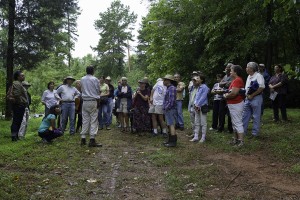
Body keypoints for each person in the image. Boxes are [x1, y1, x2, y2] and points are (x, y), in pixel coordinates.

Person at [80, 66, 102, 147]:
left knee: (85, 120)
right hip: (93, 101)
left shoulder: (82, 79)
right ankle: (92, 139)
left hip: (85, 101)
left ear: (86, 71)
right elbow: (97, 90)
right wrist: (98, 101)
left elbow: (81, 89)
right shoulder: (95, 79)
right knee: (93, 120)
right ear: (93, 71)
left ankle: (83, 138)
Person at [223, 65, 245, 147]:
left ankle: (241, 141)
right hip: (233, 104)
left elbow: (234, 93)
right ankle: (235, 140)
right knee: (234, 123)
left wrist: (225, 96)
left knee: (237, 122)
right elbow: (230, 91)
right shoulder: (234, 80)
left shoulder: (237, 80)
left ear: (235, 72)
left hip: (236, 104)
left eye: (231, 70)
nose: (230, 72)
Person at [242, 62, 265, 138]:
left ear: (251, 68)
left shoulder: (258, 76)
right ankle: (242, 132)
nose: (246, 68)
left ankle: (255, 134)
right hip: (248, 98)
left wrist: (252, 95)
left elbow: (261, 87)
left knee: (256, 116)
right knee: (245, 115)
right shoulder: (249, 76)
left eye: (247, 67)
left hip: (256, 98)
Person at [190, 75, 210, 143]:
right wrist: (195, 104)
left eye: (198, 78)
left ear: (201, 80)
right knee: (196, 122)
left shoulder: (205, 87)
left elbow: (203, 97)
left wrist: (197, 105)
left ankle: (203, 137)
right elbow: (196, 97)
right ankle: (196, 136)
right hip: (197, 106)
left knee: (203, 122)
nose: (196, 79)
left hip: (203, 106)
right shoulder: (198, 87)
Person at [10, 71, 29, 141]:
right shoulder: (17, 83)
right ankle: (14, 136)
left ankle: (16, 136)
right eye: (22, 76)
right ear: (18, 77)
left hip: (20, 105)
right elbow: (17, 94)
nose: (23, 77)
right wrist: (20, 102)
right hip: (18, 105)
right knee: (16, 121)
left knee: (18, 121)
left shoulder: (19, 84)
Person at [162, 75, 178, 147]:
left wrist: (166, 107)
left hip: (170, 109)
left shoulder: (172, 88)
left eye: (165, 80)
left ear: (168, 81)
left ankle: (173, 142)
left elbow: (171, 101)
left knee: (171, 124)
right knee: (169, 124)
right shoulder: (168, 88)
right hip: (168, 109)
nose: (163, 81)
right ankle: (170, 140)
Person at [218, 63, 233, 133]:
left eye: (228, 67)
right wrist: (225, 83)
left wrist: (225, 83)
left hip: (230, 96)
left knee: (230, 113)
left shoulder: (233, 76)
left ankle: (230, 129)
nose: (226, 68)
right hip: (223, 97)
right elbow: (220, 84)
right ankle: (220, 128)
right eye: (226, 67)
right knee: (221, 112)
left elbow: (230, 84)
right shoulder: (224, 76)